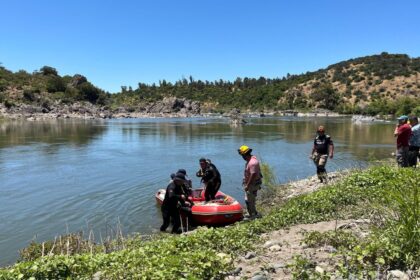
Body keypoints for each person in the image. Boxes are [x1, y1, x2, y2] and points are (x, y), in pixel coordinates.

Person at [238, 145, 262, 219]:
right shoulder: (251, 159)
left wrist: (247, 185)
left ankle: (253, 216)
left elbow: (253, 174)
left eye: (242, 155)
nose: (242, 157)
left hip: (252, 184)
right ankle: (252, 213)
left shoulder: (252, 162)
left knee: (249, 200)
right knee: (249, 199)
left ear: (245, 154)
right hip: (252, 184)